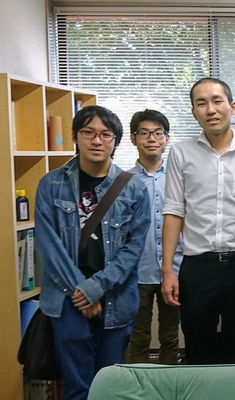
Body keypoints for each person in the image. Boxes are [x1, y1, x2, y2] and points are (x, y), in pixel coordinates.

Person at [35, 105, 150, 400]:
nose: (96, 141)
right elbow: (49, 246)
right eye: (88, 132)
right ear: (75, 136)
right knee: (76, 388)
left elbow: (133, 249)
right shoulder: (51, 184)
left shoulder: (134, 189)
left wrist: (96, 287)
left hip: (116, 299)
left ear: (115, 140)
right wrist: (82, 291)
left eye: (105, 134)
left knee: (110, 386)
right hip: (66, 300)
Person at [161, 77, 235, 365]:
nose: (210, 109)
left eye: (217, 101)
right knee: (199, 350)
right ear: (194, 112)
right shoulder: (180, 153)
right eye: (201, 103)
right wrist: (168, 272)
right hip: (198, 268)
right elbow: (174, 210)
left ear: (232, 107)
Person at [126, 109, 183, 365]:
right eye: (144, 133)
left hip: (175, 268)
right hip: (138, 270)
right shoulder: (123, 181)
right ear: (133, 138)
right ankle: (137, 387)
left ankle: (168, 385)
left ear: (167, 139)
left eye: (158, 133)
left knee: (171, 336)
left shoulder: (179, 177)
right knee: (137, 336)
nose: (151, 139)